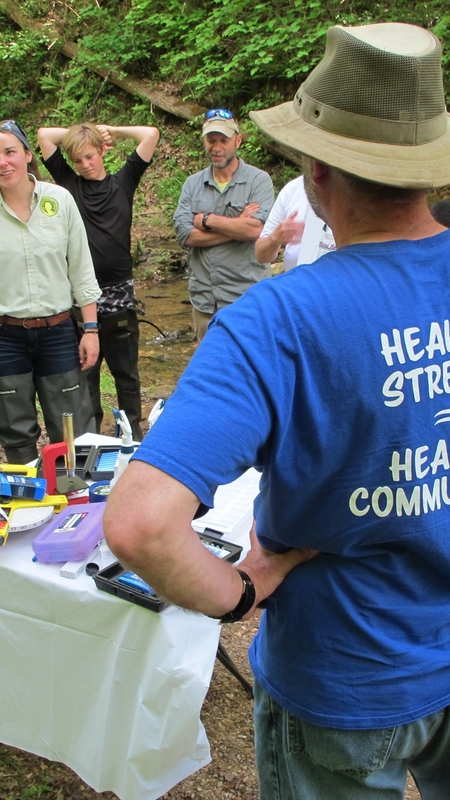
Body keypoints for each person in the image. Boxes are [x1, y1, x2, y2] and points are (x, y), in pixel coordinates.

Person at [104, 22, 450, 800]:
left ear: (316, 173)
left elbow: (139, 524)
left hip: (343, 678)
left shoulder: (279, 319)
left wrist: (243, 592)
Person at [37, 123, 160, 441]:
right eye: (78, 160)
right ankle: (90, 441)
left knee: (127, 378)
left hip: (120, 300)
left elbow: (150, 134)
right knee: (86, 379)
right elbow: (43, 136)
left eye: (90, 156)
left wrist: (109, 131)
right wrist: (78, 135)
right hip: (80, 302)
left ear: (102, 152)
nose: (85, 165)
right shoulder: (68, 184)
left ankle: (132, 439)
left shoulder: (124, 182)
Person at [0, 120, 101, 464]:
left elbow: (81, 269)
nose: (3, 161)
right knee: (15, 428)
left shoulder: (59, 201)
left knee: (73, 425)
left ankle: (81, 502)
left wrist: (90, 329)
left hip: (57, 331)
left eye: (10, 151)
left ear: (28, 155)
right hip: (5, 335)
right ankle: (27, 506)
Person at [173, 109, 274, 341]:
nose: (217, 147)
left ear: (237, 140)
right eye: (211, 140)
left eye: (223, 140)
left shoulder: (258, 181)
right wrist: (237, 225)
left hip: (246, 299)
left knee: (249, 372)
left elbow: (256, 230)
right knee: (208, 373)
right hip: (204, 302)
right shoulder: (192, 184)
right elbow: (185, 235)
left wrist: (208, 221)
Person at [255, 174, 335, 269]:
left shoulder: (348, 191)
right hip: (294, 280)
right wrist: (275, 238)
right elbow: (260, 255)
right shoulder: (292, 189)